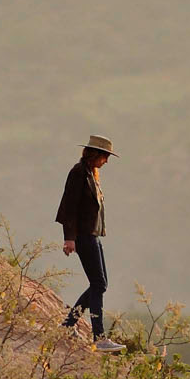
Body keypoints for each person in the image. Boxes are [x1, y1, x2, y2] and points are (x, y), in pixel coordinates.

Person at [55, 133, 120, 351]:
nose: (106, 161)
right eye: (105, 156)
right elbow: (69, 207)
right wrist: (69, 238)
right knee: (99, 284)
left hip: (92, 235)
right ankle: (99, 337)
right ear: (95, 154)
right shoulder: (78, 173)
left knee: (99, 284)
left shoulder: (91, 174)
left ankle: (68, 325)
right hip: (83, 236)